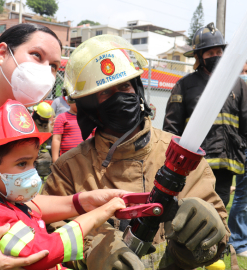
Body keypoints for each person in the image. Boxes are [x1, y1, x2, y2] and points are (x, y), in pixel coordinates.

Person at [42, 34, 229, 270]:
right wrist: (95, 251)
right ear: (90, 107)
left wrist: (205, 233)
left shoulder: (181, 157)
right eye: (106, 93)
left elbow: (219, 241)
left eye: (125, 86)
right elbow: (50, 233)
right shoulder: (69, 169)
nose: (120, 97)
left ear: (138, 89)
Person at [0, 99, 128, 270]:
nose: (32, 172)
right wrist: (97, 215)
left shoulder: (5, 199)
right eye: (22, 164)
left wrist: (85, 201)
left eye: (33, 163)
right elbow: (39, 253)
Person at [0, 22, 62, 269]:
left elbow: (9, 199)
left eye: (54, 66)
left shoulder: (9, 112)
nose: (46, 73)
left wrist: (83, 202)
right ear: (2, 53)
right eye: (37, 56)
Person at [163, 22, 247, 207]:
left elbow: (245, 123)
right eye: (210, 53)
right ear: (199, 57)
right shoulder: (184, 86)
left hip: (227, 163)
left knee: (220, 210)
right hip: (196, 165)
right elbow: (171, 128)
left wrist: (240, 146)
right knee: (194, 210)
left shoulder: (238, 84)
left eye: (219, 52)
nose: (216, 56)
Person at [228, 61, 247, 257]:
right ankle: (238, 241)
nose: (244, 75)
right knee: (242, 196)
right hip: (241, 147)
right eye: (241, 71)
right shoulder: (235, 91)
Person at [32, 102, 54, 177]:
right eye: (43, 118)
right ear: (37, 115)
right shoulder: (30, 124)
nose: (45, 120)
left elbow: (54, 136)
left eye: (46, 118)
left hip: (42, 151)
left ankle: (42, 178)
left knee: (46, 159)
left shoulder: (49, 126)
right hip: (29, 150)